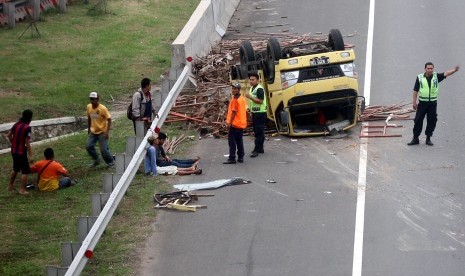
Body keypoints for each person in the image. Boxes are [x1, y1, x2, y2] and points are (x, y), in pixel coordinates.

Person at [407, 63, 460, 146]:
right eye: (428, 68)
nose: (430, 70)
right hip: (422, 103)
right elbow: (415, 90)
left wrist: (454, 70)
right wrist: (414, 102)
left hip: (432, 103)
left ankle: (428, 138)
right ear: (425, 69)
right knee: (418, 120)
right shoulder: (420, 77)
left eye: (431, 68)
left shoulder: (436, 77)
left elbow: (446, 73)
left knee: (432, 120)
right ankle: (415, 138)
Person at [8, 109, 34, 195]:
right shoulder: (27, 128)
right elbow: (27, 142)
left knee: (15, 168)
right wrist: (30, 155)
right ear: (30, 117)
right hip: (21, 152)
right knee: (25, 170)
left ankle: (10, 186)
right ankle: (22, 190)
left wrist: (13, 143)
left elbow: (9, 135)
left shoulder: (16, 124)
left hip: (13, 150)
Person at [86, 92, 115, 167]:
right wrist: (89, 128)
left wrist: (107, 132)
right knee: (88, 146)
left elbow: (109, 119)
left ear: (97, 99)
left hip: (102, 132)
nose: (92, 101)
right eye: (91, 99)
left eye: (94, 99)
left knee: (104, 150)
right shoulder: (89, 107)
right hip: (93, 132)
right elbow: (89, 118)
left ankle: (111, 161)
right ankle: (96, 159)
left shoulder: (102, 108)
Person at [223, 82, 247, 164]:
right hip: (241, 124)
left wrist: (229, 122)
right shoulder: (241, 98)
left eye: (235, 89)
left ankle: (232, 158)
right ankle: (241, 157)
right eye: (232, 88)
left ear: (238, 90)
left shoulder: (236, 100)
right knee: (239, 141)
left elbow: (233, 112)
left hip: (235, 124)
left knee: (232, 142)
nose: (233, 90)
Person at [244, 72, 267, 157]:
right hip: (255, 113)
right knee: (257, 131)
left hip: (260, 113)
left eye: (253, 79)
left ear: (257, 80)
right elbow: (253, 102)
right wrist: (250, 109)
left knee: (259, 131)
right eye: (250, 79)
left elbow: (260, 101)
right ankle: (260, 148)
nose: (251, 81)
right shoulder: (251, 88)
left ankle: (256, 149)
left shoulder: (259, 89)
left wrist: (250, 97)